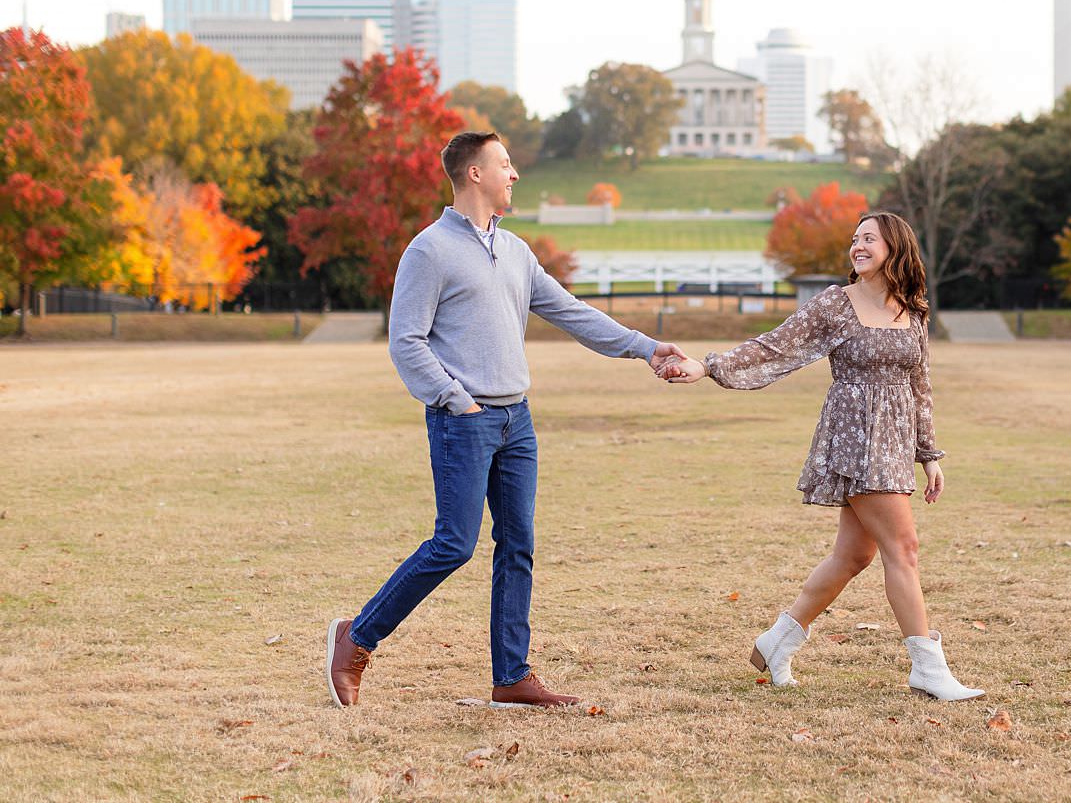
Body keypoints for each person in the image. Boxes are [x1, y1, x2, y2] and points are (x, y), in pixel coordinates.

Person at [325, 131, 687, 710]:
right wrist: (454, 398)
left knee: (518, 544)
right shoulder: (429, 250)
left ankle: (511, 677)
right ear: (474, 174)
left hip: (516, 420)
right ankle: (355, 638)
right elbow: (407, 342)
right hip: (463, 420)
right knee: (454, 544)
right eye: (505, 164)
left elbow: (571, 312)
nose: (514, 173)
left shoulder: (515, 251)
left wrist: (646, 348)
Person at [657, 211, 983, 701]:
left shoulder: (913, 311)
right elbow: (775, 346)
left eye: (869, 238)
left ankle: (777, 642)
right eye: (855, 239)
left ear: (895, 247)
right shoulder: (835, 304)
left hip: (894, 439)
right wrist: (708, 367)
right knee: (904, 549)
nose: (858, 245)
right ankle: (927, 668)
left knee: (854, 555)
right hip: (855, 435)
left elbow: (920, 385)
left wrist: (928, 453)